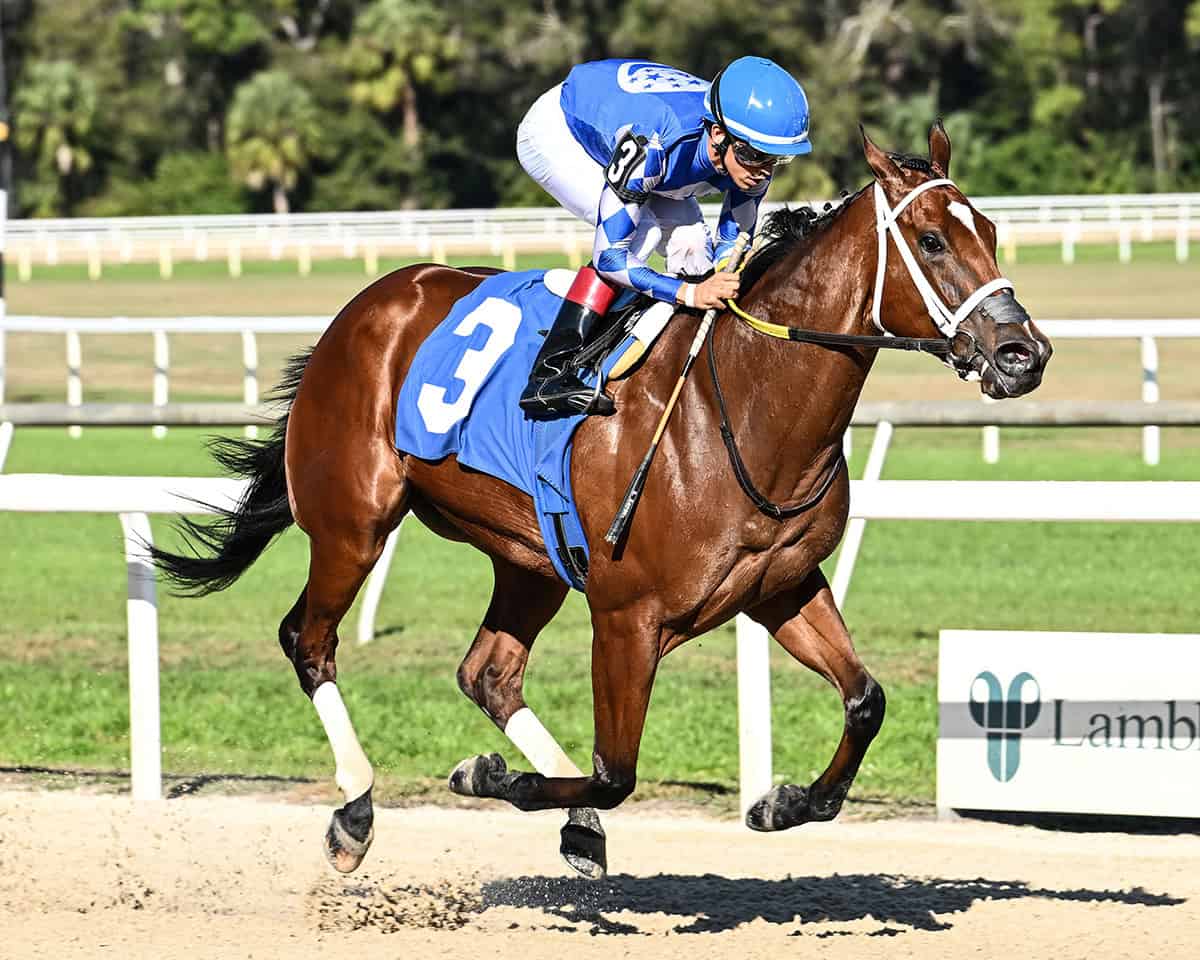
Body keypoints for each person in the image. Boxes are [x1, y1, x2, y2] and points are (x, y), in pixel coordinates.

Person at [515, 56, 813, 417]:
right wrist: (690, 292)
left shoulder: (747, 156)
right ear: (718, 135)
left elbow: (733, 243)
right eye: (752, 155)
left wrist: (719, 277)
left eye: (776, 159)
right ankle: (550, 374)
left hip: (653, 135)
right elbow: (610, 257)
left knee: (694, 247)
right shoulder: (653, 146)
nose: (762, 171)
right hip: (562, 130)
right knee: (642, 233)